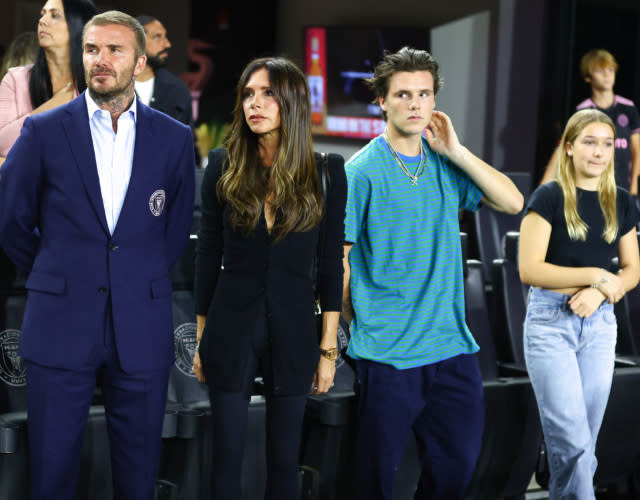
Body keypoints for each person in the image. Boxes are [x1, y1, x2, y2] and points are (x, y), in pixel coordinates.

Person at [0, 10, 195, 499]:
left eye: (115, 50)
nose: (101, 60)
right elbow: (11, 221)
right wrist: (57, 270)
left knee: (137, 476)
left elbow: (171, 236)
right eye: (91, 50)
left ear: (140, 61)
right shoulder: (43, 132)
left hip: (141, 326)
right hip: (60, 322)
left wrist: (131, 273)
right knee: (51, 475)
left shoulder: (173, 139)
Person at [342, 46, 524, 500]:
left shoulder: (445, 163)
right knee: (374, 481)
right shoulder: (360, 171)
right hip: (387, 352)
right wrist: (354, 324)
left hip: (450, 346)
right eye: (403, 94)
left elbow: (513, 203)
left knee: (456, 470)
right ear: (382, 101)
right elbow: (340, 260)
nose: (415, 103)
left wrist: (458, 151)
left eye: (424, 94)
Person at [191, 56, 347, 499]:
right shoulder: (222, 164)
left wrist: (328, 350)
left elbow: (331, 264)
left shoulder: (327, 171)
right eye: (248, 94)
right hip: (230, 325)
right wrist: (202, 339)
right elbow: (207, 255)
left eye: (267, 94)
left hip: (295, 329)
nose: (254, 104)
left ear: (293, 101)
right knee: (225, 462)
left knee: (283, 465)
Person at [519, 108, 640, 499]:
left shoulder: (620, 202)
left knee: (583, 446)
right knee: (572, 443)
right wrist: (594, 276)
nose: (599, 152)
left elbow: (632, 270)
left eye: (607, 144)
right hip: (551, 321)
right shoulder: (549, 197)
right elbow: (529, 269)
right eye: (589, 142)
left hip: (601, 326)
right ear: (569, 147)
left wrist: (602, 289)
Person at [0, 0, 97, 163]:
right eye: (43, 14)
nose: (42, 21)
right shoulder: (16, 79)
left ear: (79, 26)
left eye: (55, 15)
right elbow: (2, 143)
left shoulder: (99, 85)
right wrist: (53, 105)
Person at [539, 49, 640, 195]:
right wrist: (544, 185)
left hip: (624, 187)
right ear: (588, 77)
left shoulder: (628, 108)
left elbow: (637, 149)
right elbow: (563, 148)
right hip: (593, 187)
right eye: (600, 71)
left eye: (611, 70)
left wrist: (635, 186)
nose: (607, 75)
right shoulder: (583, 110)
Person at [134, 15, 193, 126]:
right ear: (136, 42)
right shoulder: (114, 86)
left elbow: (187, 139)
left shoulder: (177, 89)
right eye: (157, 37)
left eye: (165, 37)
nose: (167, 44)